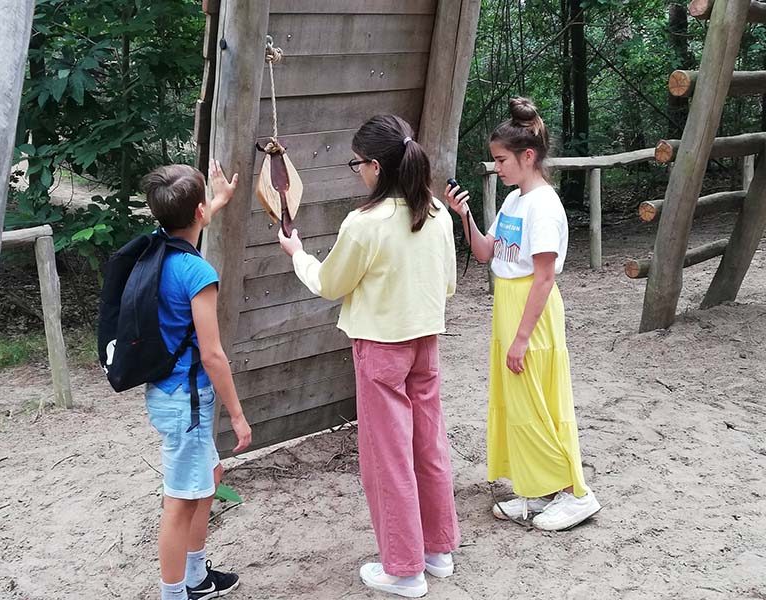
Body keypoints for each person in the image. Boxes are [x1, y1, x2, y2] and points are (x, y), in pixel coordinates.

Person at [278, 115, 460, 598]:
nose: (355, 170)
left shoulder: (364, 224)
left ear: (376, 166)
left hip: (380, 347)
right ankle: (437, 549)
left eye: (357, 163)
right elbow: (449, 285)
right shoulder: (438, 213)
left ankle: (403, 568)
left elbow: (330, 284)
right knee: (428, 444)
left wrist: (297, 253)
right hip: (426, 341)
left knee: (389, 457)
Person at [445, 98, 601, 531]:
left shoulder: (544, 206)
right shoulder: (515, 201)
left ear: (527, 156)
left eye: (501, 160)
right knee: (517, 402)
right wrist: (465, 215)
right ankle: (536, 491)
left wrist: (521, 337)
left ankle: (576, 493)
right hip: (508, 304)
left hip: (532, 310)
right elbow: (483, 253)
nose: (497, 168)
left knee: (540, 400)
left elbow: (545, 277)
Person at [141, 160, 252, 600]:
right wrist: (239, 417)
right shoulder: (198, 274)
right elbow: (212, 353)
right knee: (180, 502)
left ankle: (195, 578)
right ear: (199, 212)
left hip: (167, 393)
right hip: (186, 399)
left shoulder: (157, 248)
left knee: (209, 473)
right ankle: (174, 594)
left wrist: (217, 203)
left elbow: (184, 232)